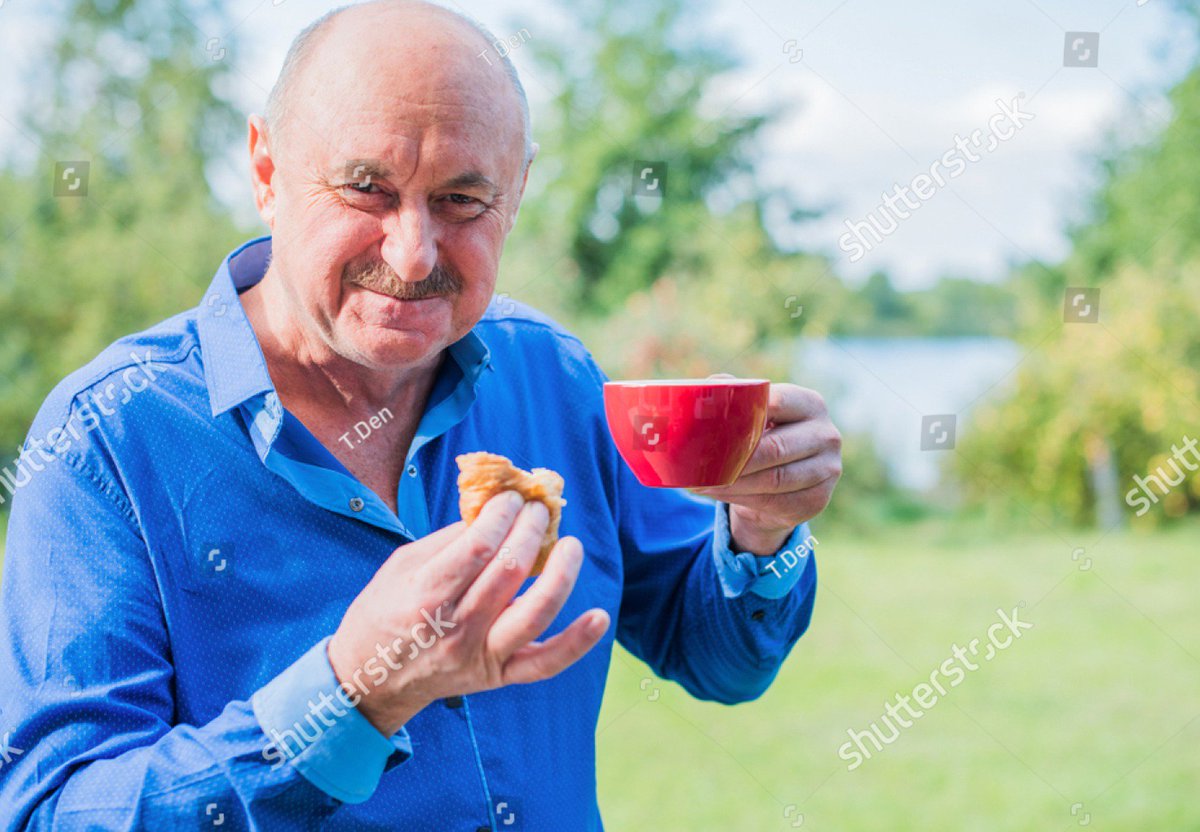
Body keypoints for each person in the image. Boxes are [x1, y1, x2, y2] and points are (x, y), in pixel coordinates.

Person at [0, 1, 841, 828]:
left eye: (462, 201)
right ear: (266, 172)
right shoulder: (107, 437)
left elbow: (717, 656)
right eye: (367, 188)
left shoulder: (554, 374)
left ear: (519, 188)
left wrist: (759, 525)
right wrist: (353, 694)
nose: (413, 255)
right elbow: (52, 811)